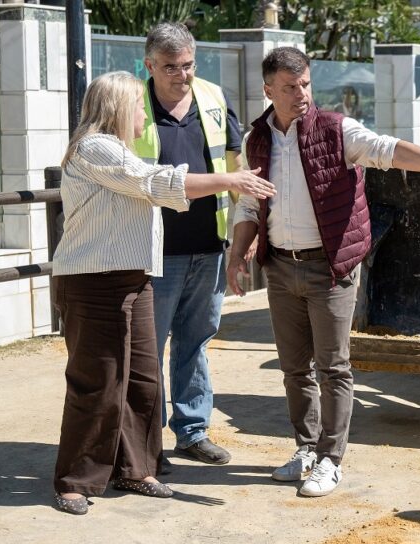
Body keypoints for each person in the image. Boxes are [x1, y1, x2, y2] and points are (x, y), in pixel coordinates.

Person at [226, 47, 420, 498]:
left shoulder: (336, 130)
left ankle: (331, 459)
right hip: (281, 268)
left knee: (333, 367)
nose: (301, 93)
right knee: (294, 369)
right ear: (268, 90)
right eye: (289, 87)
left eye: (305, 83)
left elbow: (386, 150)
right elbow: (251, 200)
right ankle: (305, 449)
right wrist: (237, 252)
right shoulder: (258, 140)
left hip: (330, 268)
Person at [51, 71, 274, 515]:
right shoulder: (96, 148)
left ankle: (136, 468)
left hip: (133, 278)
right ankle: (75, 480)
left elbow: (154, 183)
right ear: (117, 108)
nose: (143, 113)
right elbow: (157, 183)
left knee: (142, 381)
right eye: (137, 105)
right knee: (97, 383)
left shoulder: (120, 150)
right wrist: (230, 180)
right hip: (94, 281)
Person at [138, 23, 245, 469]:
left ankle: (192, 431)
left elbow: (237, 163)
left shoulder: (213, 97)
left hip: (209, 244)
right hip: (153, 248)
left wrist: (247, 229)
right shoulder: (132, 105)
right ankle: (145, 442)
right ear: (149, 65)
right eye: (170, 67)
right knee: (148, 346)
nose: (181, 75)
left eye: (188, 65)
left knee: (195, 341)